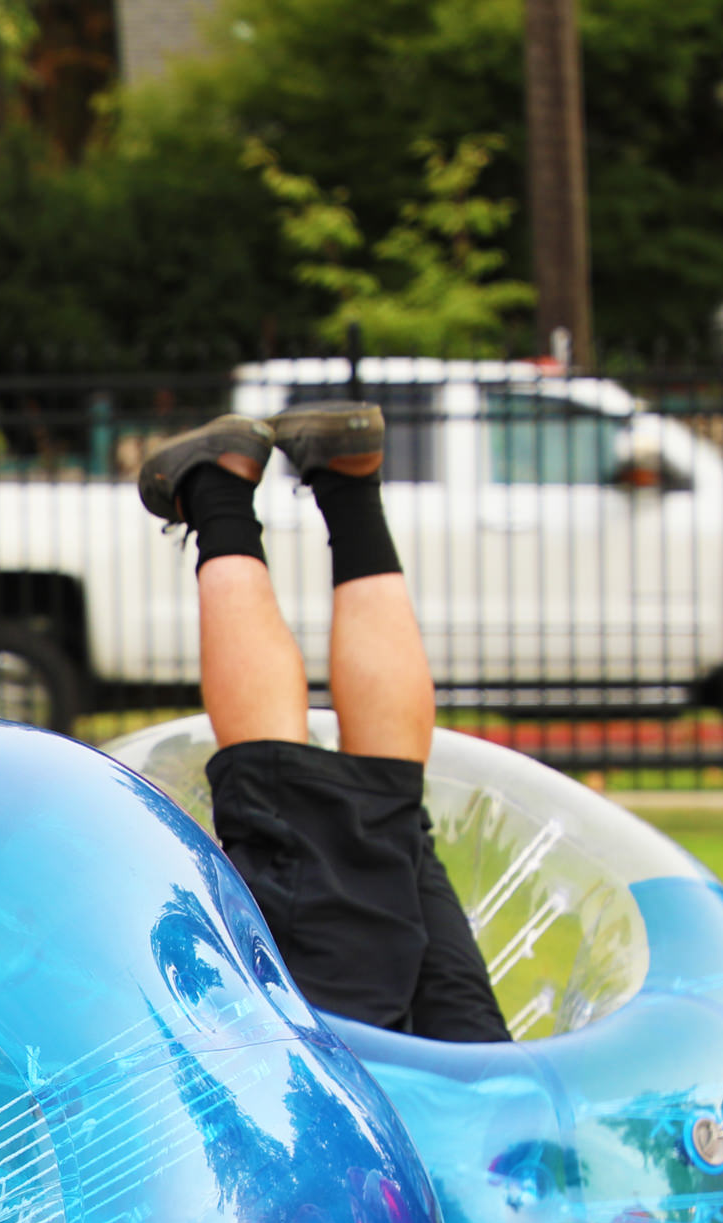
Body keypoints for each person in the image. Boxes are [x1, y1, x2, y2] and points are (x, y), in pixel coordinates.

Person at [136, 401, 510, 1044]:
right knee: (329, 809)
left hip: (473, 1096)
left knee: (378, 814)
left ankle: (335, 483)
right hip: (428, 1094)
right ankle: (229, 488)